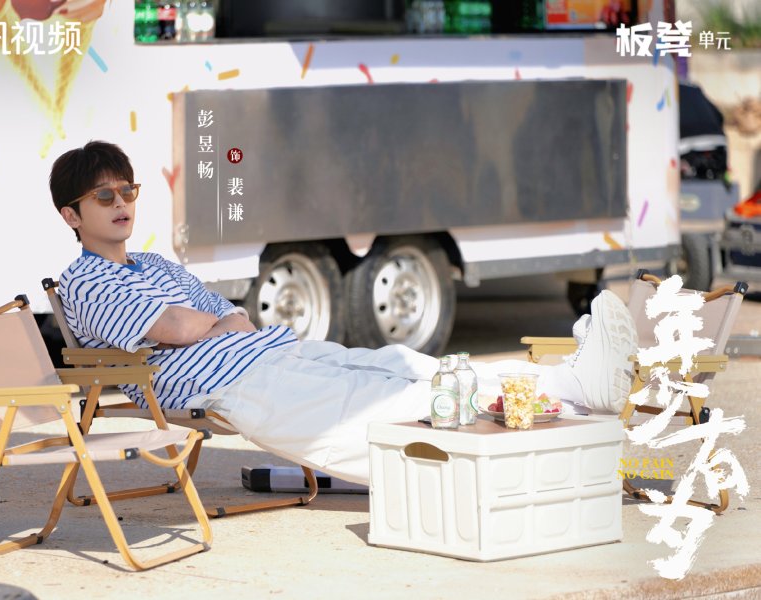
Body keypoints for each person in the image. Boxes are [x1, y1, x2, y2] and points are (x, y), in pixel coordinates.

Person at [50, 141, 638, 485]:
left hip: (270, 355)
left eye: (128, 191)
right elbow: (180, 326)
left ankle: (570, 384)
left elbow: (230, 316)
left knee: (408, 365)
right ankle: (542, 445)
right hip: (230, 385)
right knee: (394, 404)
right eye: (104, 196)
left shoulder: (154, 262)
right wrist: (210, 324)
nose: (122, 203)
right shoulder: (86, 280)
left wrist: (213, 324)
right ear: (72, 215)